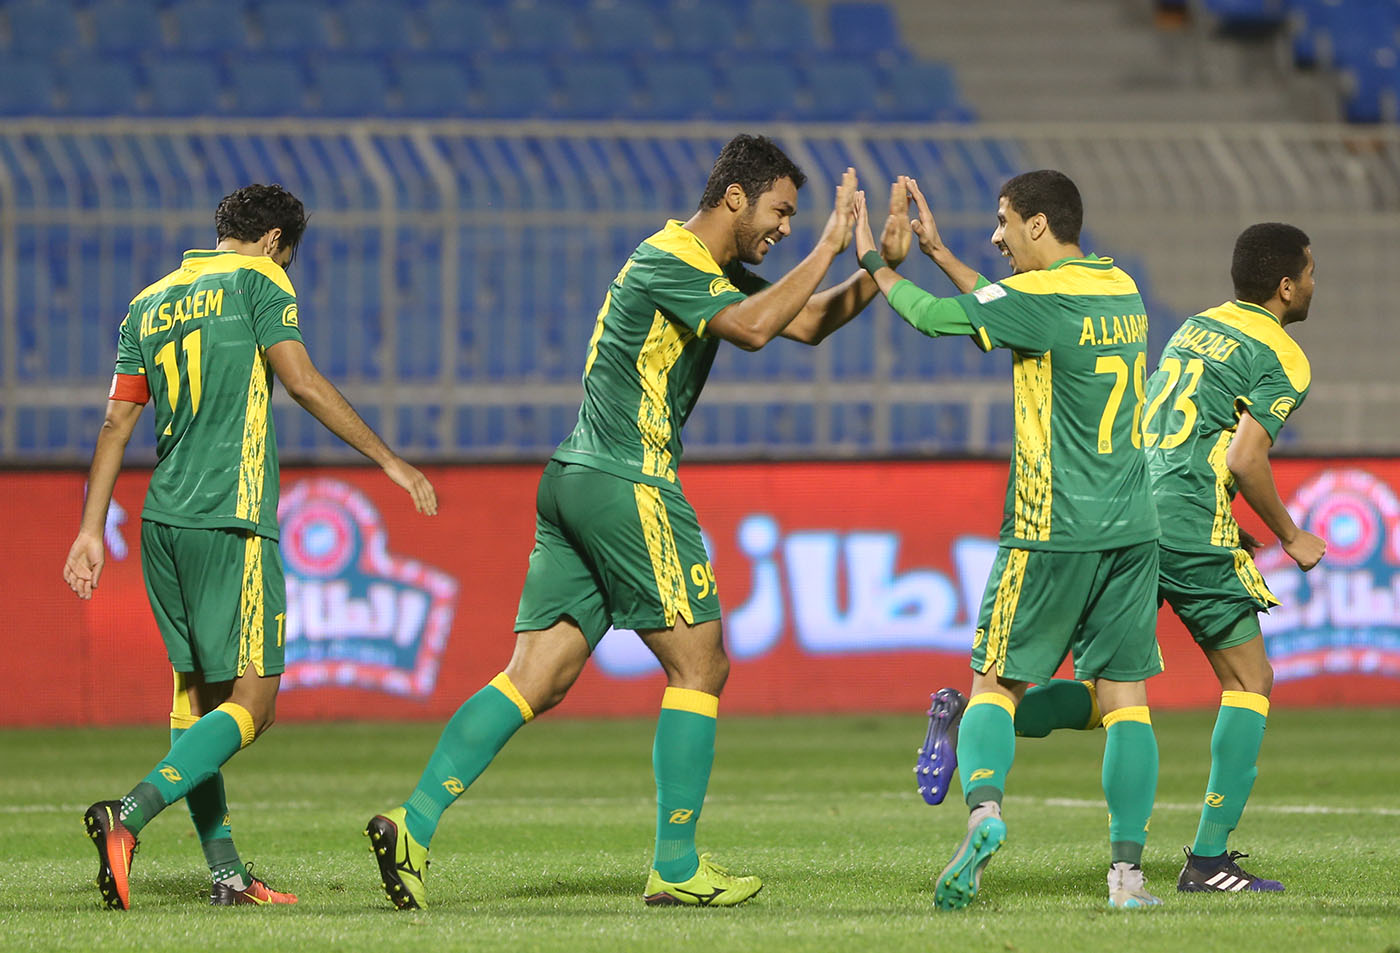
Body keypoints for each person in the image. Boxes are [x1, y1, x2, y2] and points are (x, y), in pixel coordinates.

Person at [365, 134, 912, 910]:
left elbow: (807, 321)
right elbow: (756, 329)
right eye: (780, 210)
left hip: (578, 478)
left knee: (537, 675)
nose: (786, 227)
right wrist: (830, 243)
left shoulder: (704, 267)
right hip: (629, 478)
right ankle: (676, 863)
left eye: (796, 218)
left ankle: (411, 825)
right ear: (735, 197)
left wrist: (880, 269)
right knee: (702, 665)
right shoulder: (673, 258)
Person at [63, 183, 438, 911]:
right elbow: (300, 380)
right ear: (272, 241)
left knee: (197, 702)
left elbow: (115, 425)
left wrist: (88, 529)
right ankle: (128, 815)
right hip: (231, 518)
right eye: (287, 256)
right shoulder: (260, 279)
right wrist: (389, 460)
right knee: (255, 705)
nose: (285, 267)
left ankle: (227, 876)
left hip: (162, 524)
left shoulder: (147, 302)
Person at [853, 171, 1164, 909]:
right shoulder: (1121, 287)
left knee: (994, 685)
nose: (995, 237)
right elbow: (1009, 309)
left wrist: (874, 261)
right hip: (1132, 528)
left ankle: (984, 812)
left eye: (1003, 222)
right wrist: (939, 253)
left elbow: (935, 318)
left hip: (1050, 528)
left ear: (1038, 224)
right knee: (1124, 703)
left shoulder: (1039, 298)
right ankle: (1126, 881)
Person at [996, 223, 1324, 893]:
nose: (1316, 283)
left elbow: (1167, 426)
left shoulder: (1196, 327)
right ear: (1287, 286)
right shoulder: (1284, 356)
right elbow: (1245, 456)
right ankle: (1208, 860)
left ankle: (982, 717)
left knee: (1106, 695)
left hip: (1131, 511)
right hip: (1190, 521)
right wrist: (1291, 534)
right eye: (1312, 272)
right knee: (1250, 680)